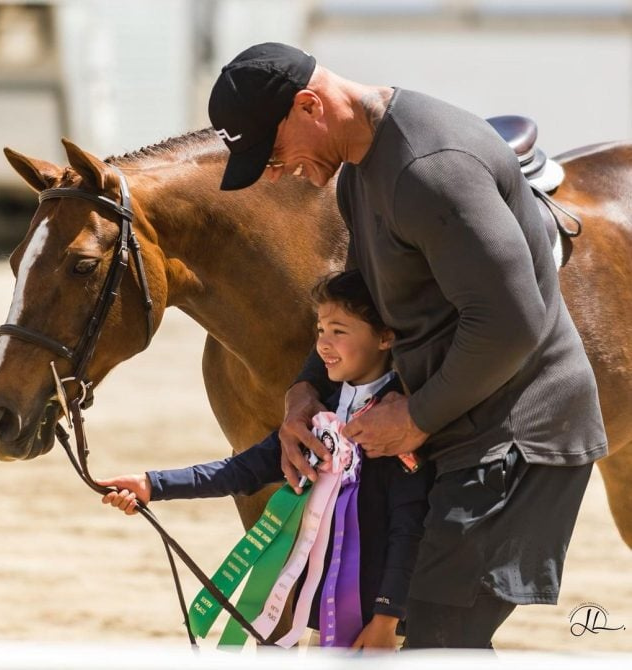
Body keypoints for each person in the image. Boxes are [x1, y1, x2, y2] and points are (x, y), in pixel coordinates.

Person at [205, 42, 608, 649]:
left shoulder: (430, 168)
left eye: (275, 150)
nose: (278, 170)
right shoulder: (361, 172)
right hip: (465, 423)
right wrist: (307, 388)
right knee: (409, 630)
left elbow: (512, 322)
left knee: (438, 637)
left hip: (521, 434)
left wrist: (417, 415)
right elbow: (365, 305)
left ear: (310, 105)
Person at [99, 270, 434, 650]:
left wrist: (386, 620)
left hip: (378, 619)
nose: (324, 344)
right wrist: (151, 485)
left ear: (385, 337)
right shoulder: (317, 418)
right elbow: (242, 470)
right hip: (324, 610)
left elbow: (408, 530)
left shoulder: (396, 428)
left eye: (339, 331)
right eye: (320, 331)